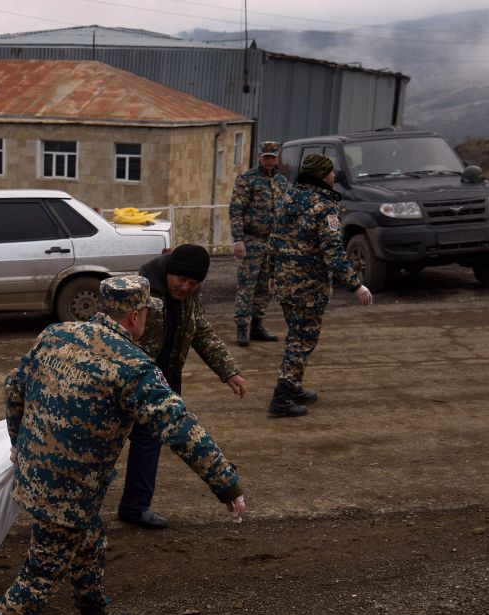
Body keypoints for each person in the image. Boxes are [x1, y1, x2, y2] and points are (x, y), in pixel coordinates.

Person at [0, 275, 247, 615]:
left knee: (88, 537)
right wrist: (227, 485)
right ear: (135, 315)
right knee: (42, 572)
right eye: (146, 314)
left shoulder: (56, 334)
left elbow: (14, 387)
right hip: (69, 487)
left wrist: (18, 440)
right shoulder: (132, 365)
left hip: (38, 473)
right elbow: (180, 428)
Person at [116, 244, 246, 530]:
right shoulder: (141, 290)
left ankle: (135, 506)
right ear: (168, 273)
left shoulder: (190, 298)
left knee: (149, 442)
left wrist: (229, 372)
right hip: (125, 383)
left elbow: (201, 332)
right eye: (181, 280)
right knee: (106, 444)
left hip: (160, 384)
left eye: (193, 283)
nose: (185, 287)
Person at [269, 153, 372, 417]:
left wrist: (272, 273)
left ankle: (293, 386)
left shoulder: (288, 197)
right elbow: (333, 252)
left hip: (285, 281)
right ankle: (282, 396)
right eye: (330, 171)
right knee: (301, 339)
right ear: (321, 175)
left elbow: (275, 240)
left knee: (297, 334)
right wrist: (355, 285)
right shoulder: (325, 206)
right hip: (308, 286)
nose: (334, 175)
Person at [229, 140, 289, 346]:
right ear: (259, 157)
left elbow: (286, 212)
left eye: (273, 157)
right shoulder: (247, 179)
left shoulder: (282, 181)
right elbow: (236, 210)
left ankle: (257, 325)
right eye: (266, 157)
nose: (270, 161)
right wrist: (238, 240)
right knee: (247, 285)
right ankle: (242, 328)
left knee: (266, 286)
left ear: (277, 158)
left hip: (273, 243)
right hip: (251, 240)